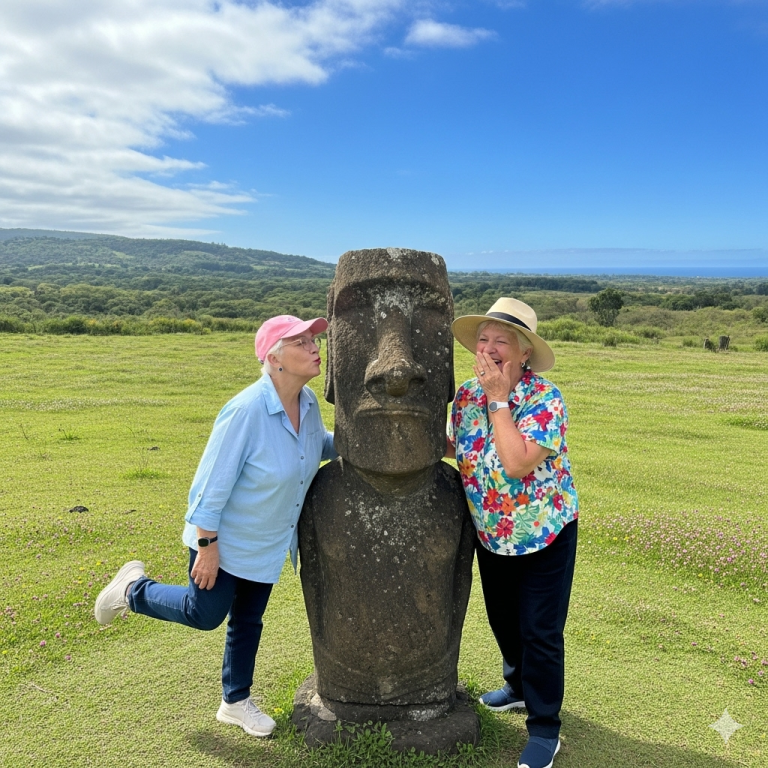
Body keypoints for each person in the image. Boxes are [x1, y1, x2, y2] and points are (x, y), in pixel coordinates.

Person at [94, 315, 336, 738]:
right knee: (203, 613)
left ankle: (235, 701)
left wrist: (374, 441)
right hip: (223, 537)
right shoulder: (246, 410)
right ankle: (132, 589)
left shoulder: (309, 402)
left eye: (314, 339)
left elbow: (317, 444)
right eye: (302, 341)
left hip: (268, 539)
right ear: (275, 358)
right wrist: (207, 546)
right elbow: (209, 484)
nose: (316, 347)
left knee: (248, 620)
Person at [446, 298, 578, 768]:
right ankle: (519, 687)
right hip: (492, 532)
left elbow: (519, 462)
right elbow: (459, 445)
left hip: (544, 532)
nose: (489, 347)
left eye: (502, 340)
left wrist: (500, 400)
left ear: (524, 353)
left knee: (540, 630)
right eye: (483, 339)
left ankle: (545, 729)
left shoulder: (545, 399)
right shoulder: (465, 396)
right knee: (503, 618)